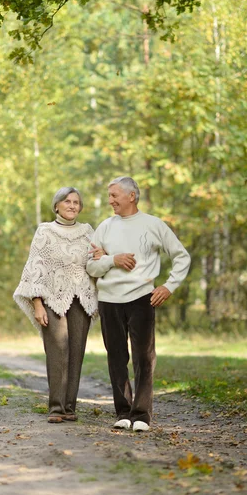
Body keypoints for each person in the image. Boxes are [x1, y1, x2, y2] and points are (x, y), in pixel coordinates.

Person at [87, 176, 191, 432]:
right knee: (117, 357)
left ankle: (142, 415)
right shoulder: (105, 227)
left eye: (114, 195)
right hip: (109, 300)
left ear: (131, 196)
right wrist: (113, 259)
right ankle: (123, 413)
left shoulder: (153, 225)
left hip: (142, 298)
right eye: (109, 196)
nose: (110, 201)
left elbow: (181, 256)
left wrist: (168, 286)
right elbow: (91, 266)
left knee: (144, 358)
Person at [14, 187, 101, 423]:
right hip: (51, 298)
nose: (72, 205)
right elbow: (35, 269)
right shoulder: (45, 232)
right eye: (67, 201)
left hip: (81, 299)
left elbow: (97, 263)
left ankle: (70, 407)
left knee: (76, 352)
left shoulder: (87, 232)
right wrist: (37, 304)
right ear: (56, 206)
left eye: (76, 202)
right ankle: (55, 407)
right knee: (57, 352)